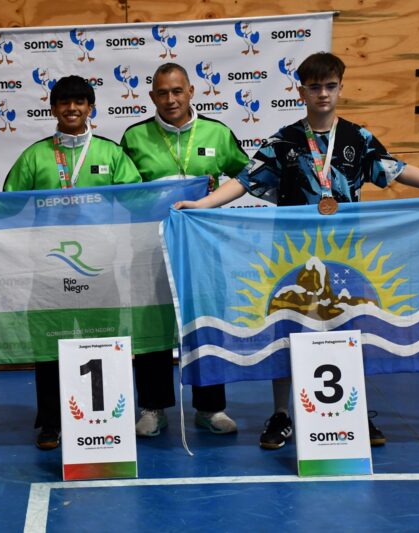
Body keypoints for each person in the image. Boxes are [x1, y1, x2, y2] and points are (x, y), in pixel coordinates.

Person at [174, 52, 419, 449]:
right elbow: (243, 180)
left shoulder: (358, 138)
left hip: (345, 255)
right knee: (287, 330)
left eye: (330, 86)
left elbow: (398, 169)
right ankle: (281, 414)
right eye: (314, 87)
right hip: (293, 255)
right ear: (300, 92)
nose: (322, 93)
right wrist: (201, 205)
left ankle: (352, 411)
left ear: (340, 87)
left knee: (349, 329)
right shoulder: (284, 141)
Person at [3, 75, 142, 449]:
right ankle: (51, 422)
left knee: (105, 341)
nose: (72, 108)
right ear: (53, 109)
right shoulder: (35, 155)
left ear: (90, 107)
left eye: (79, 102)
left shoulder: (110, 153)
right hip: (50, 268)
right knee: (49, 345)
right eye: (64, 102)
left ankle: (108, 415)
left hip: (99, 267)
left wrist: (188, 192)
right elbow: (6, 202)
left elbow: (139, 198)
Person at [120, 63, 249, 437]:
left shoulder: (217, 133)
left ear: (191, 91)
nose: (171, 99)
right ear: (152, 96)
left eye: (177, 91)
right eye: (162, 93)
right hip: (150, 247)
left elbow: (249, 174)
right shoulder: (134, 137)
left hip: (203, 248)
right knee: (152, 325)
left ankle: (211, 408)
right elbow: (122, 192)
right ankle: (152, 408)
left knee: (205, 322)